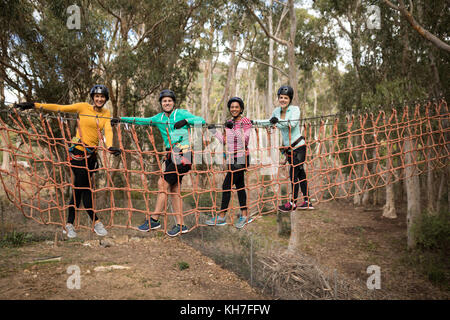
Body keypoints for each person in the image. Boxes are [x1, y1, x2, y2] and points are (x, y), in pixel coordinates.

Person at [14, 84, 122, 238]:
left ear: (105, 99)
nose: (99, 99)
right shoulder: (83, 107)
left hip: (91, 157)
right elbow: (59, 108)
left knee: (79, 188)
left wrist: (110, 147)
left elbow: (108, 131)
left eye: (102, 97)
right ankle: (96, 221)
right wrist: (35, 105)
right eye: (97, 96)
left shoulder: (106, 113)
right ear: (93, 98)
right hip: (77, 154)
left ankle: (69, 224)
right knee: (85, 189)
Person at [115, 89, 205, 237]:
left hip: (184, 154)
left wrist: (186, 121)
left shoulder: (181, 114)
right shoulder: (159, 118)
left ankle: (154, 219)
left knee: (162, 183)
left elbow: (201, 121)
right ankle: (181, 225)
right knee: (173, 190)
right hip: (171, 155)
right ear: (161, 103)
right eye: (164, 101)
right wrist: (121, 119)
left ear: (173, 102)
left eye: (169, 100)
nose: (167, 103)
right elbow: (141, 121)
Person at [253, 85, 314, 211]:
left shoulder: (295, 110)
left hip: (299, 146)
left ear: (290, 99)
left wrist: (278, 121)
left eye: (286, 98)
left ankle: (293, 203)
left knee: (294, 173)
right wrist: (253, 122)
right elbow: (270, 122)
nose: (283, 100)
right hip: (289, 149)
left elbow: (292, 123)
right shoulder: (276, 111)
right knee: (301, 173)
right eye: (281, 97)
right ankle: (307, 201)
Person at [206, 97, 253, 229]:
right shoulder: (228, 122)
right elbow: (225, 141)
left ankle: (221, 217)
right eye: (232, 107)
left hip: (242, 157)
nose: (234, 109)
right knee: (240, 186)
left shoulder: (246, 121)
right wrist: (214, 131)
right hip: (232, 159)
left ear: (241, 109)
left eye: (236, 107)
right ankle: (244, 215)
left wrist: (234, 129)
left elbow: (246, 139)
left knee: (226, 185)